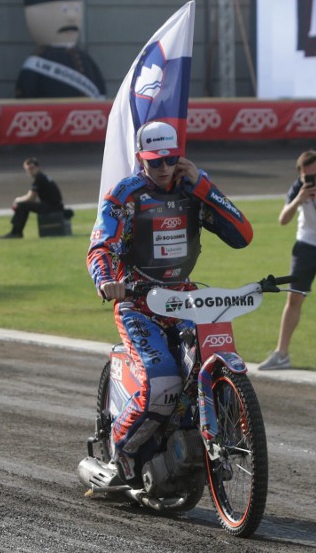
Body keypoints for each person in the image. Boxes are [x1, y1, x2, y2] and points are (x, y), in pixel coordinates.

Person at [86, 120, 253, 485]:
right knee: (162, 383)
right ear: (139, 159)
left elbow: (243, 235)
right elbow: (101, 246)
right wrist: (107, 281)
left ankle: (223, 433)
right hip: (138, 303)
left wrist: (204, 186)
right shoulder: (125, 195)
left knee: (214, 357)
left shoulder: (194, 188)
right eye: (154, 161)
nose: (163, 169)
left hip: (185, 299)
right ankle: (122, 452)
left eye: (170, 159)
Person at [259, 150, 316, 371]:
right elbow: (283, 219)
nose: (313, 180)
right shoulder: (297, 188)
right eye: (307, 177)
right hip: (306, 245)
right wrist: (298, 199)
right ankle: (282, 353)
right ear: (300, 176)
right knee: (294, 297)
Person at [0, 157, 65, 239]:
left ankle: (16, 232)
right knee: (23, 204)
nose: (30, 171)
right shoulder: (43, 177)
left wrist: (17, 200)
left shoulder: (39, 178)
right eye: (28, 169)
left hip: (51, 207)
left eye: (32, 168)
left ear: (37, 167)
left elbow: (30, 198)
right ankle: (16, 232)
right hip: (55, 206)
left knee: (21, 205)